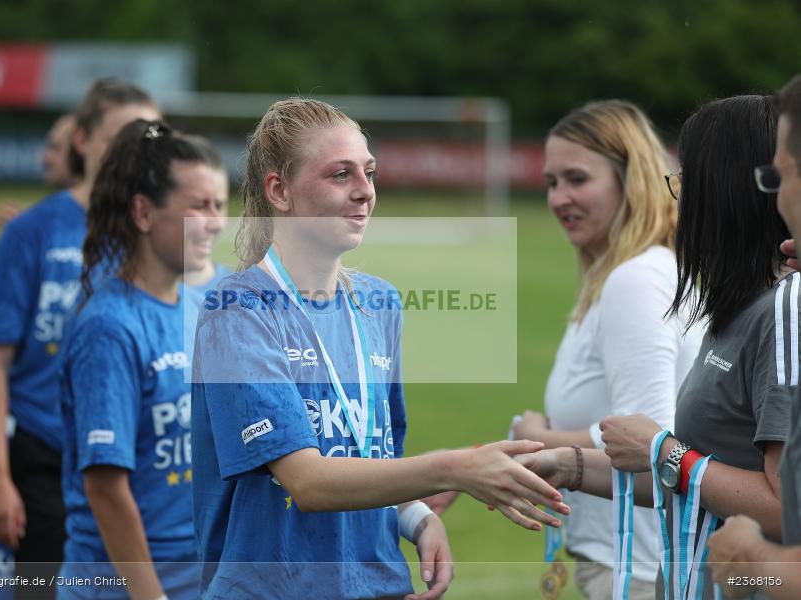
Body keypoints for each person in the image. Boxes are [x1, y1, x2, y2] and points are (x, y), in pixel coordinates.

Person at [191, 97, 571, 600]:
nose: (365, 192)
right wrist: (455, 468)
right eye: (340, 175)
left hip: (377, 585)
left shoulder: (378, 304)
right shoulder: (238, 311)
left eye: (368, 173)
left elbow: (365, 451)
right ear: (279, 191)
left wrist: (414, 516)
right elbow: (308, 481)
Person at [519, 95, 797, 600]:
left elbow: (783, 503)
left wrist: (662, 448)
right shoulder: (734, 308)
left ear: (728, 189)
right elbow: (692, 481)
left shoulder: (782, 311)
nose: (679, 199)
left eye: (689, 181)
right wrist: (568, 466)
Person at [502, 100, 703, 599]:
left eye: (576, 179)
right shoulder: (621, 275)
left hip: (640, 570)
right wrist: (478, 461)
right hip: (629, 564)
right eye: (551, 182)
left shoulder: (636, 278)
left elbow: (651, 432)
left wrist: (545, 438)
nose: (558, 198)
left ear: (629, 179)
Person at [0, 78, 160, 596]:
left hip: (140, 462)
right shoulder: (31, 233)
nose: (138, 150)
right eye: (123, 135)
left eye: (151, 136)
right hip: (46, 462)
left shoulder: (162, 235)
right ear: (83, 141)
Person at [58, 119, 226, 600]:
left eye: (219, 205)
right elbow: (106, 490)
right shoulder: (109, 327)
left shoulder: (199, 308)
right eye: (199, 206)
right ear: (144, 213)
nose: (215, 221)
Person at [705, 77, 801, 600]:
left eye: (778, 176)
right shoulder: (744, 305)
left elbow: (786, 513)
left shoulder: (787, 305)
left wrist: (749, 564)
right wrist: (574, 465)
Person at [0, 113, 80, 231]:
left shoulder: (105, 220)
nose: (44, 158)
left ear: (80, 151)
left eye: (55, 148)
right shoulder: (44, 219)